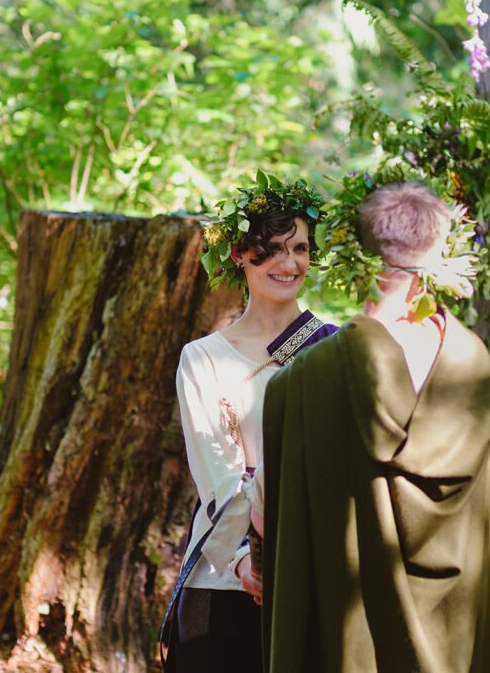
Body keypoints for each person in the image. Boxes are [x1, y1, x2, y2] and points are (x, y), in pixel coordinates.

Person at [254, 181, 490, 673]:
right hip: (461, 641)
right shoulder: (474, 367)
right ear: (438, 256)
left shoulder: (301, 382)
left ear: (361, 253)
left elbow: (269, 518)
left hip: (352, 646)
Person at [164, 174, 337, 673]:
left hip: (314, 577)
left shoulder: (333, 348)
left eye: (300, 248)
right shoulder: (203, 359)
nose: (290, 264)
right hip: (225, 577)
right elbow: (216, 470)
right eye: (274, 250)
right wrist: (246, 559)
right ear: (239, 253)